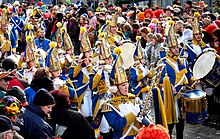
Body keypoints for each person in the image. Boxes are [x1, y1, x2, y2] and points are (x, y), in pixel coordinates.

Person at [155, 20, 196, 139]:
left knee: (181, 122)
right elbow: (158, 82)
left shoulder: (183, 60)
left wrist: (194, 80)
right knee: (170, 123)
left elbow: (188, 75)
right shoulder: (163, 63)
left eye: (177, 47)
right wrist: (168, 88)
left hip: (182, 95)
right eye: (173, 48)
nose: (176, 49)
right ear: (169, 49)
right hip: (169, 97)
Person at [100, 47, 143, 138]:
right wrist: (134, 114)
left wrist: (144, 120)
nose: (126, 87)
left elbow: (145, 118)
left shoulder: (134, 99)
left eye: (126, 84)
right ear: (115, 88)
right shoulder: (108, 106)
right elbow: (117, 125)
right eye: (123, 85)